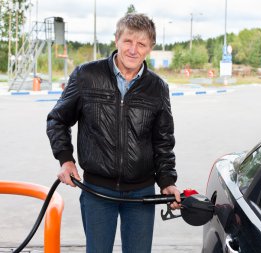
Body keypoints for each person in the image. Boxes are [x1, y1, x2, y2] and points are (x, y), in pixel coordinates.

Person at [46, 13, 181, 253]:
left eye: (141, 44)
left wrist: (167, 181)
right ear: (117, 39)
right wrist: (65, 159)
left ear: (150, 48)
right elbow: (57, 119)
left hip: (141, 193)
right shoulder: (86, 76)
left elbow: (163, 141)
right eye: (128, 41)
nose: (133, 49)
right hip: (97, 191)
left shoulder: (158, 88)